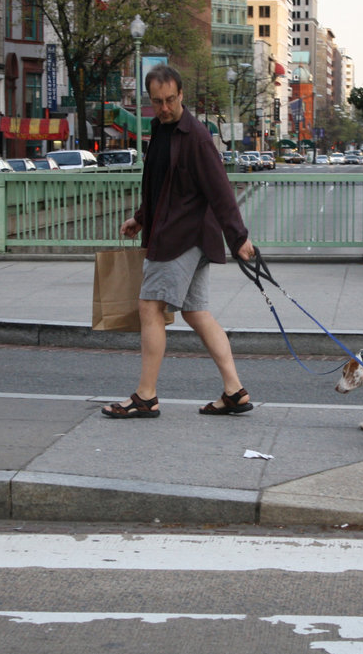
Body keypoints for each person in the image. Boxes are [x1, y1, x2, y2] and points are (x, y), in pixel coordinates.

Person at [102, 64, 256, 419]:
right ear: (150, 100)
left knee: (150, 307)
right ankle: (234, 391)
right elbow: (159, 186)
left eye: (170, 99)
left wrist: (239, 238)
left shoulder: (196, 136)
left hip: (180, 237)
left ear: (181, 95)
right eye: (157, 101)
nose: (165, 107)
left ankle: (146, 396)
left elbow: (220, 190)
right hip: (183, 233)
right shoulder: (160, 130)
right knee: (195, 311)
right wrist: (140, 219)